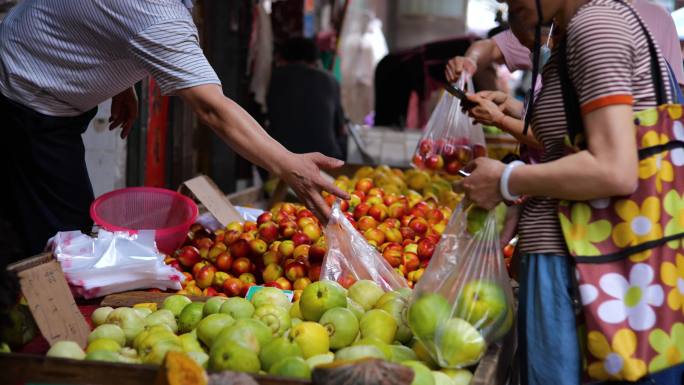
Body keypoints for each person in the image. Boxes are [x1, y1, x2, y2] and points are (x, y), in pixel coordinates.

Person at [0, 0, 348, 261]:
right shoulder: (155, 15)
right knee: (64, 240)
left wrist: (122, 83)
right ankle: (38, 335)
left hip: (31, 78)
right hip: (23, 100)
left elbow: (95, 20)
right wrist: (288, 165)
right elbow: (213, 108)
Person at [461, 0, 682, 384]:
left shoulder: (596, 27)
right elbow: (578, 151)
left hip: (581, 269)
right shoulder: (585, 29)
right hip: (593, 264)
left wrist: (506, 179)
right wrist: (523, 197)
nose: (508, 3)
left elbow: (614, 169)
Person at [266, 37, 346, 163]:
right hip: (326, 158)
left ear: (283, 57)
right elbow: (340, 128)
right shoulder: (330, 80)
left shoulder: (274, 77)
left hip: (283, 157)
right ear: (315, 59)